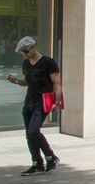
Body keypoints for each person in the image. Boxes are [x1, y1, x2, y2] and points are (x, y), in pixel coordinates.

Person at [5, 37, 62, 173]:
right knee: (29, 134)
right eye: (22, 53)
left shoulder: (49, 62)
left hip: (44, 100)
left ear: (34, 47)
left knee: (33, 131)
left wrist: (57, 101)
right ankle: (37, 163)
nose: (25, 54)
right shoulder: (26, 64)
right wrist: (17, 81)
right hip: (29, 101)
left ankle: (50, 156)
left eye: (26, 51)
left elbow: (57, 83)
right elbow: (27, 82)